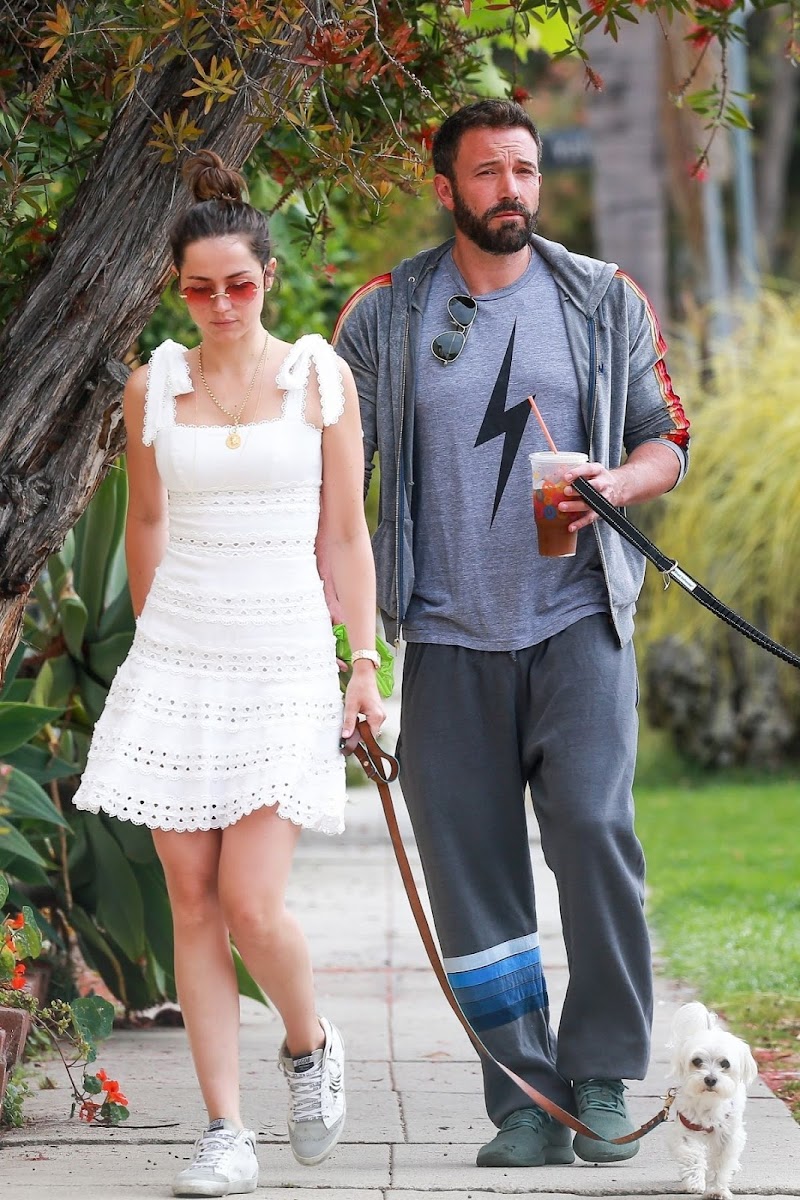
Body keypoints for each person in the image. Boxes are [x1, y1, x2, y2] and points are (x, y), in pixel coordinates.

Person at [333, 99, 690, 1168]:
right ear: (444, 187)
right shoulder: (384, 316)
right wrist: (348, 643)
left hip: (575, 619)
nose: (510, 191)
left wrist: (613, 483)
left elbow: (663, 436)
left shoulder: (599, 298)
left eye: (524, 170)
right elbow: (334, 481)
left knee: (591, 834)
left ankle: (600, 1076)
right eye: (486, 173)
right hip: (444, 636)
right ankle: (526, 1100)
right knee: (472, 874)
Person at [72, 150, 385, 1198]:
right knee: (191, 901)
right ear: (177, 287)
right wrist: (156, 651)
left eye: (237, 284)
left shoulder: (317, 378)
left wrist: (362, 666)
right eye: (199, 287)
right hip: (181, 658)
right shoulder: (150, 388)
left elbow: (344, 536)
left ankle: (309, 1042)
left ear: (268, 281)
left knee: (252, 903)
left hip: (285, 653)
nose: (219, 303)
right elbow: (148, 528)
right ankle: (223, 1129)